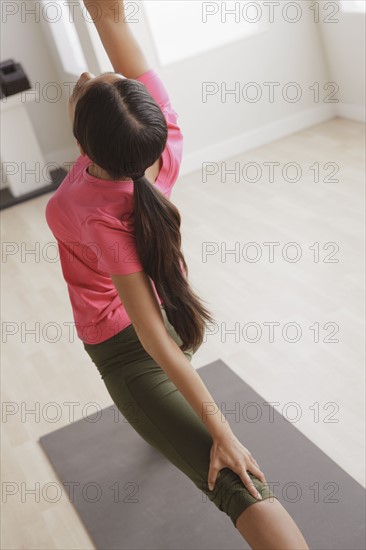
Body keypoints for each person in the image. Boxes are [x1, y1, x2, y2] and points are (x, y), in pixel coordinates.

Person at [45, 1, 309, 548]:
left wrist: (223, 433)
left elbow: (152, 340)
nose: (95, 74)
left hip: (132, 348)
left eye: (96, 84)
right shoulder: (156, 139)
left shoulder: (92, 210)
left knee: (236, 482)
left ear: (82, 143)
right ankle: (167, 424)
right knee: (178, 396)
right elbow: (114, 23)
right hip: (168, 312)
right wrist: (105, 16)